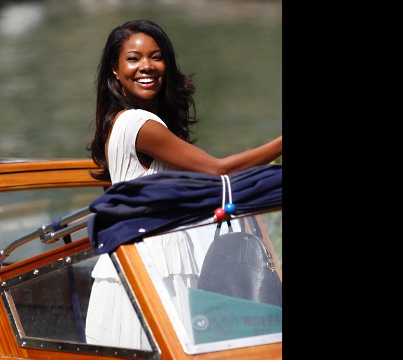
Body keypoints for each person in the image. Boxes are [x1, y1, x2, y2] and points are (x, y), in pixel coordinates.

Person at [84, 19, 282, 349]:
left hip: (144, 261)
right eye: (133, 58)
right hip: (153, 266)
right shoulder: (138, 123)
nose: (146, 66)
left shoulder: (121, 122)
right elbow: (217, 171)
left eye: (156, 56)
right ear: (114, 71)